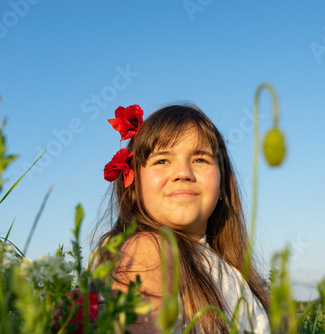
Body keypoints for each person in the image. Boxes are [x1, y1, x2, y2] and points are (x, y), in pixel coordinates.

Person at [90, 104, 270, 333]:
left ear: (222, 183)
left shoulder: (226, 270)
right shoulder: (148, 249)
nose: (183, 173)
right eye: (162, 161)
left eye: (200, 160)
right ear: (134, 185)